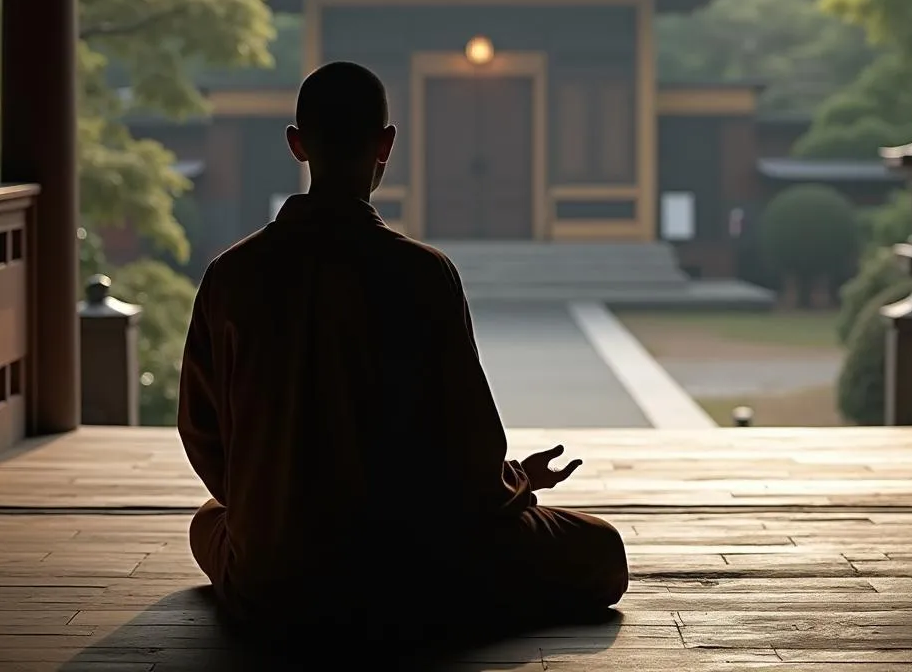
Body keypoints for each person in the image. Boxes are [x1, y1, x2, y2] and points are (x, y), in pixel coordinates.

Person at [177, 61, 628, 638]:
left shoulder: (231, 274)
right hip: (418, 571)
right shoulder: (422, 274)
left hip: (274, 579)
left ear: (297, 144)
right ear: (386, 144)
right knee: (603, 551)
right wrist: (516, 482)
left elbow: (204, 435)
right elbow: (469, 450)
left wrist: (274, 511)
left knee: (210, 522)